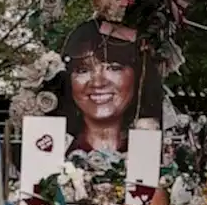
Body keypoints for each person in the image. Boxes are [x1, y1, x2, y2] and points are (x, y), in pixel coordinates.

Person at [58, 20, 164, 155]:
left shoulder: (155, 152)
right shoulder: (51, 151)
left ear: (138, 76)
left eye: (113, 68)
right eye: (83, 70)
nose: (97, 82)